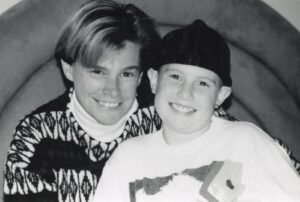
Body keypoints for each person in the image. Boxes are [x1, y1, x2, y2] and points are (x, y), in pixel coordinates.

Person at [93, 20, 300, 202]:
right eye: (175, 77)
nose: (185, 93)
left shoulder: (246, 141)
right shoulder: (127, 158)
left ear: (221, 96)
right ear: (154, 80)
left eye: (202, 83)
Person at [3, 0, 162, 202]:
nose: (112, 90)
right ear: (69, 69)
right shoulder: (36, 136)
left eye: (126, 74)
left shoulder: (162, 117)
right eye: (98, 71)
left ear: (140, 77)